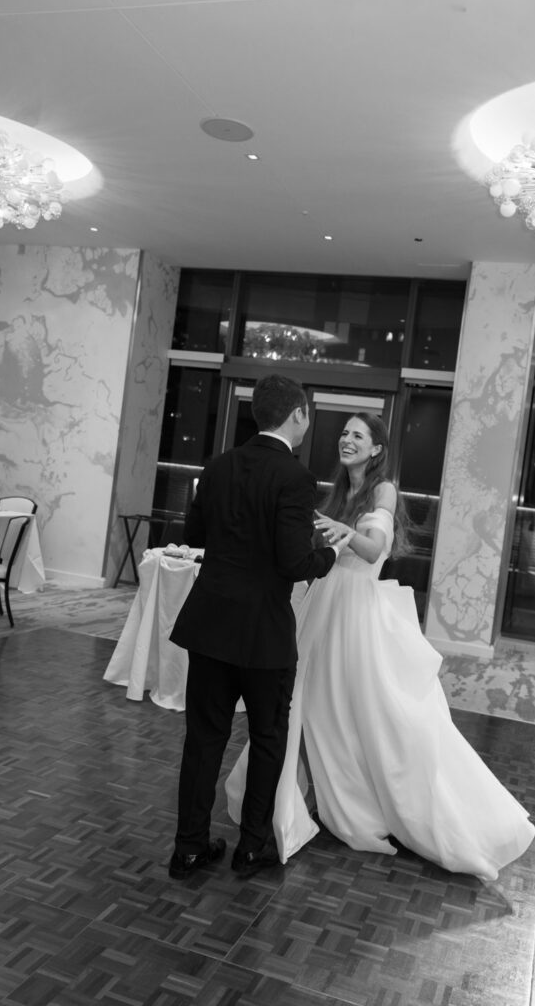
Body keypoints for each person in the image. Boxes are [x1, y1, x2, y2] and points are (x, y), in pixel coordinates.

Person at [226, 412, 535, 882]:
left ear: (376, 449)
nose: (346, 440)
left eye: (358, 435)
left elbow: (374, 550)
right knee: (309, 705)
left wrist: (342, 531)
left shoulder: (383, 489)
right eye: (344, 433)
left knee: (369, 712)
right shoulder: (336, 491)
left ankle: (378, 800)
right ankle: (310, 794)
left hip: (356, 612)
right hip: (324, 603)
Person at [168, 374, 350, 881]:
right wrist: (332, 554)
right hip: (263, 634)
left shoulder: (218, 465)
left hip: (209, 624)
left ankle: (188, 849)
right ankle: (251, 847)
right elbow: (296, 563)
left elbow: (196, 533)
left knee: (203, 739)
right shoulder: (296, 477)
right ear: (298, 415)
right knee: (269, 737)